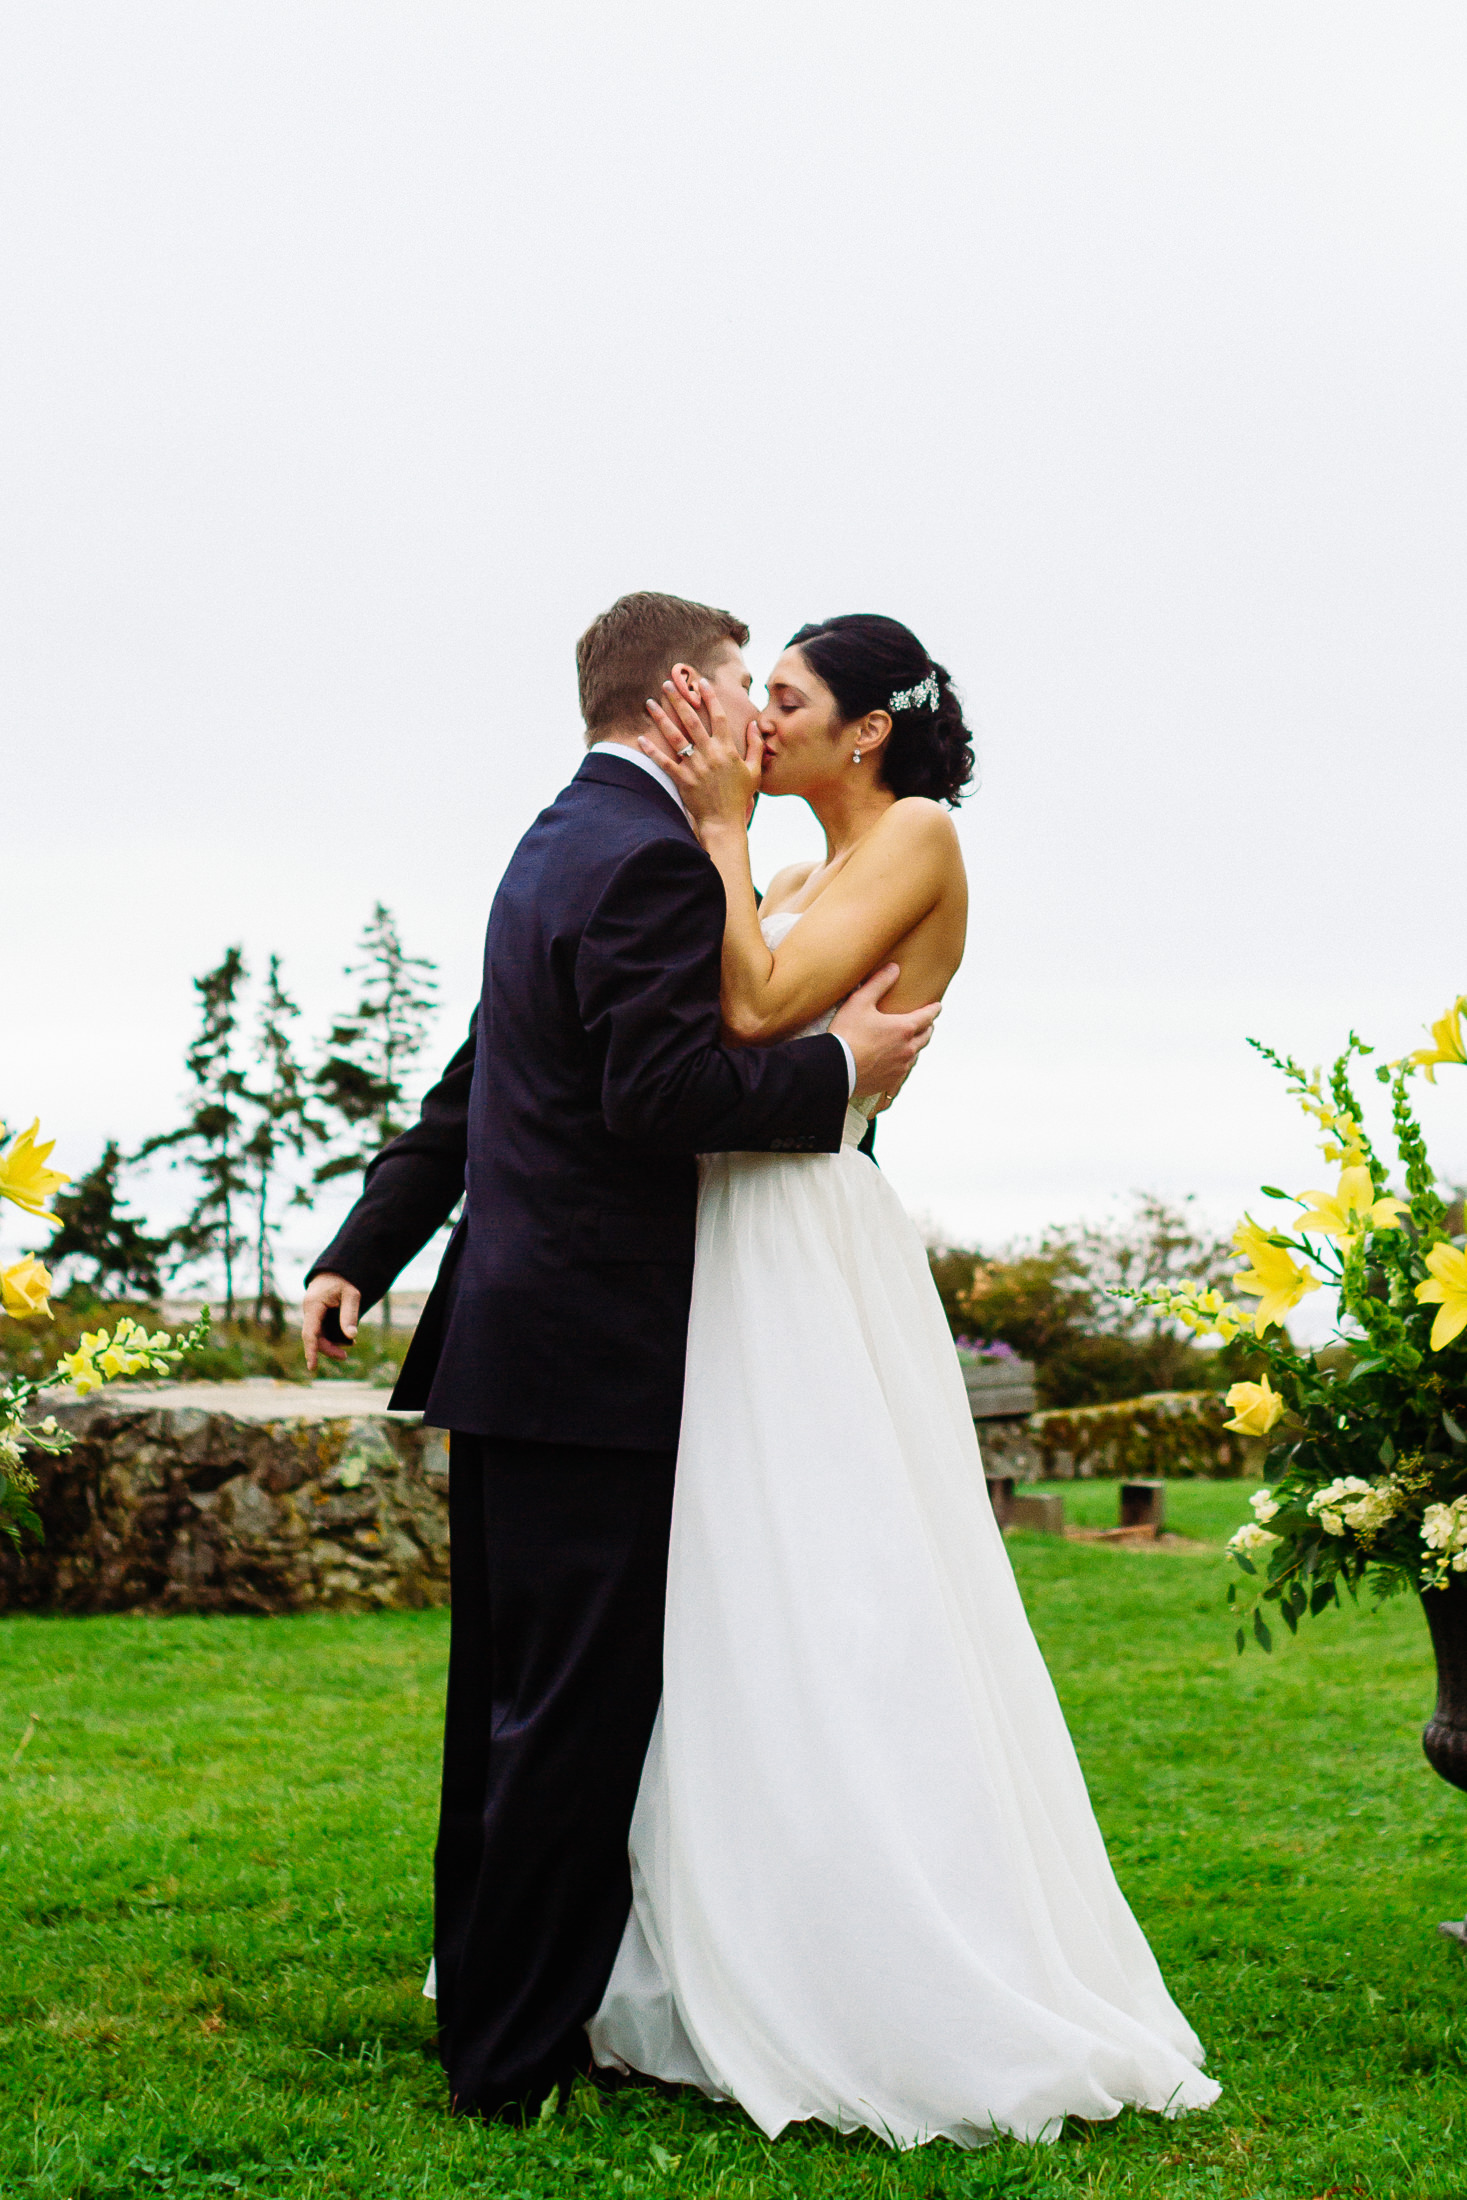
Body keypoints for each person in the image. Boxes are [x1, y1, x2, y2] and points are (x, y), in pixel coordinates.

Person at [299, 592, 940, 2121]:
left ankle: (491, 2003)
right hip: (595, 1351)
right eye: (739, 686)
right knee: (571, 1719)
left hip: (510, 1346)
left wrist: (358, 1248)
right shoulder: (655, 855)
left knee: (505, 1711)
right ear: (678, 699)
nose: (755, 716)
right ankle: (514, 2059)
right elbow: (656, 1093)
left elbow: (479, 1076)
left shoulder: (555, 837)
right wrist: (839, 1073)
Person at [584, 614, 1221, 2147]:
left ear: (865, 731)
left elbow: (749, 1010)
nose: (759, 720)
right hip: (735, 1232)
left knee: (844, 1589)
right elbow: (733, 997)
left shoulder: (918, 837)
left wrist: (721, 824)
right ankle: (720, 1928)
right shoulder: (799, 869)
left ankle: (900, 1960)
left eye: (786, 700)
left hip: (804, 1241)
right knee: (736, 1592)